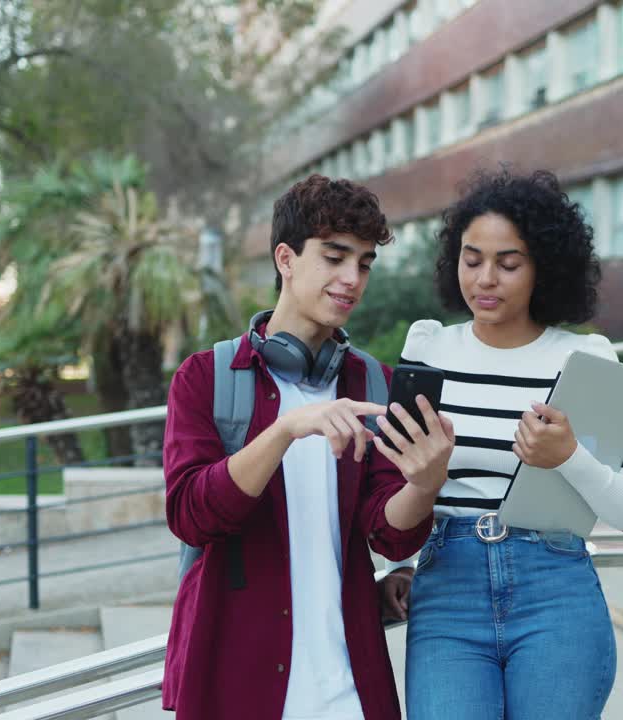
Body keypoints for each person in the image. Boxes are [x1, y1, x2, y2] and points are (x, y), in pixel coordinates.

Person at [161, 175, 456, 720]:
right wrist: (285, 430)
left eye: (364, 263)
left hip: (349, 687)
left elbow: (390, 533)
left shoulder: (372, 384)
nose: (352, 279)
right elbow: (189, 515)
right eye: (334, 257)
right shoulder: (205, 377)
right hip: (236, 683)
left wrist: (425, 482)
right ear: (286, 259)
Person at [379, 168, 623, 720]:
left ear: (543, 269)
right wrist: (406, 555)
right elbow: (395, 488)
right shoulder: (429, 352)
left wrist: (569, 458)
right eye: (471, 258)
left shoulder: (587, 360)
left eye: (508, 264)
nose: (485, 279)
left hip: (555, 589)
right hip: (447, 588)